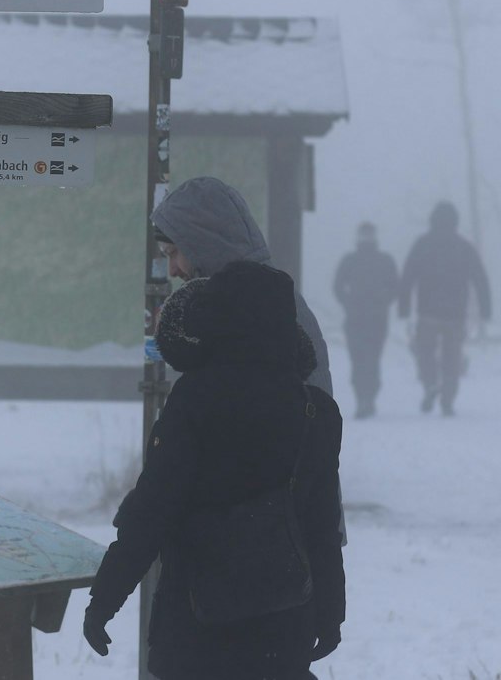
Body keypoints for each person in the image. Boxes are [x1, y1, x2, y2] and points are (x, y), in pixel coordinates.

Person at [82, 261, 346, 677]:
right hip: (284, 624)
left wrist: (105, 599)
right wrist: (331, 612)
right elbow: (322, 525)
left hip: (198, 623)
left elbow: (153, 510)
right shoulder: (316, 410)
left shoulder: (196, 399)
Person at [149, 176, 335, 398]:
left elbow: (307, 417)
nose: (172, 270)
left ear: (202, 243)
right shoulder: (233, 307)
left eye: (173, 253)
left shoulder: (264, 309)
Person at [397, 201, 492, 416]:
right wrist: (486, 308)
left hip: (427, 312)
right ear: (455, 222)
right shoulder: (463, 247)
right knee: (452, 358)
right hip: (455, 314)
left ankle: (430, 384)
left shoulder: (422, 244)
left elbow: (408, 276)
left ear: (432, 221)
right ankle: (447, 400)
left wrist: (403, 307)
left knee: (425, 353)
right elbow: (480, 278)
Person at [331, 222, 400, 419]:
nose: (366, 238)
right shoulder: (350, 260)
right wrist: (348, 303)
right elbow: (338, 286)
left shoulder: (384, 260)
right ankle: (363, 399)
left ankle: (368, 398)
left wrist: (383, 301)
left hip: (376, 320)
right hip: (356, 319)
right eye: (364, 235)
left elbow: (395, 287)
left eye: (369, 235)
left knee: (371, 359)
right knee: (359, 359)